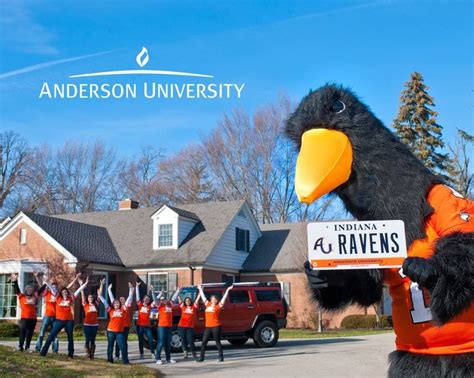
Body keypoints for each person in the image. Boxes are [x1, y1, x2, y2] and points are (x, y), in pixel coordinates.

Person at [40, 274, 88, 358]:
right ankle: (43, 352)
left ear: (67, 293)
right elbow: (51, 288)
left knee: (70, 337)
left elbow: (79, 290)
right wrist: (47, 282)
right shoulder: (58, 298)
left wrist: (85, 284)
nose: (64, 293)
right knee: (51, 335)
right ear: (61, 293)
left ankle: (70, 354)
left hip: (69, 321)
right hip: (58, 321)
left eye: (66, 292)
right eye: (63, 292)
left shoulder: (70, 298)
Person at [197, 284, 233, 362]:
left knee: (217, 342)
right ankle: (201, 358)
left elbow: (224, 298)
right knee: (203, 342)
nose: (213, 300)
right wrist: (200, 289)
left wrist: (227, 290)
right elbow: (203, 297)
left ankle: (221, 357)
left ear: (217, 300)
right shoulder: (207, 304)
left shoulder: (218, 306)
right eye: (212, 299)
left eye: (214, 299)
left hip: (216, 326)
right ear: (210, 300)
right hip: (208, 327)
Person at [98, 280, 131, 364]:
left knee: (123, 346)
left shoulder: (123, 310)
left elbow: (128, 299)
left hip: (119, 332)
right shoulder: (110, 310)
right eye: (115, 303)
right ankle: (110, 360)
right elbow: (104, 301)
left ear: (119, 304)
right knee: (110, 346)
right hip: (111, 331)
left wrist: (131, 289)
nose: (116, 303)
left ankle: (125, 361)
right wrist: (102, 287)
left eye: (117, 303)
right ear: (113, 304)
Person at [10, 273, 41, 352]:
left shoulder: (34, 296)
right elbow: (16, 289)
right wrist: (14, 281)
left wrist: (38, 278)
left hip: (33, 318)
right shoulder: (22, 296)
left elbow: (41, 289)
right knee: (22, 332)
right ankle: (20, 347)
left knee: (30, 334)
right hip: (24, 318)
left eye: (31, 289)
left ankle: (27, 347)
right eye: (28, 289)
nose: (30, 290)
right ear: (26, 290)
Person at [108, 281, 134, 360]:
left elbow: (130, 297)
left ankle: (124, 356)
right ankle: (117, 355)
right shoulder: (116, 308)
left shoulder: (126, 306)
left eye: (123, 299)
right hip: (117, 327)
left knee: (123, 342)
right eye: (121, 299)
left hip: (125, 326)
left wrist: (131, 289)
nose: (122, 300)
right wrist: (109, 290)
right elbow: (112, 299)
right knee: (116, 343)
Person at [152, 287, 178, 365]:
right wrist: (153, 291)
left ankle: (168, 359)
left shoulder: (170, 305)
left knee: (168, 343)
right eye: (162, 300)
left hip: (169, 327)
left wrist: (177, 291)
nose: (163, 300)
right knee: (161, 342)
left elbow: (174, 297)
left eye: (164, 299)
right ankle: (158, 359)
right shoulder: (160, 306)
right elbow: (156, 299)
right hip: (162, 327)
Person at [79, 275, 100, 359]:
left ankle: (92, 354)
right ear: (87, 299)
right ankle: (88, 352)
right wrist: (81, 286)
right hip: (87, 324)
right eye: (89, 297)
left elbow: (99, 296)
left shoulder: (96, 304)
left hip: (95, 325)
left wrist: (101, 286)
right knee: (87, 339)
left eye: (91, 297)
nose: (90, 298)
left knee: (93, 339)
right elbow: (82, 295)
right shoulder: (85, 305)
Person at [177, 287, 201, 360]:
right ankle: (185, 353)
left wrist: (200, 291)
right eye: (186, 300)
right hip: (181, 326)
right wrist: (178, 291)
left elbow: (197, 299)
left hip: (190, 327)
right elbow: (179, 298)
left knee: (190, 340)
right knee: (183, 340)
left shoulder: (193, 307)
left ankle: (194, 353)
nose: (187, 301)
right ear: (185, 302)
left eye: (189, 300)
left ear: (191, 301)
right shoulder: (182, 307)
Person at [135, 281, 156, 359]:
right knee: (141, 340)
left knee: (150, 339)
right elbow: (137, 297)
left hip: (147, 326)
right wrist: (137, 287)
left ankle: (153, 353)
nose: (147, 300)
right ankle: (141, 354)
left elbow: (155, 300)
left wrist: (153, 291)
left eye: (148, 299)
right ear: (143, 299)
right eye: (145, 298)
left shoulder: (150, 306)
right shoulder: (140, 305)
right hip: (140, 326)